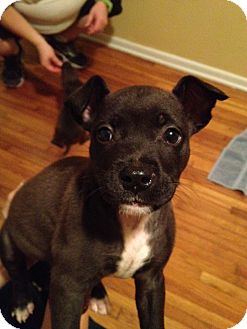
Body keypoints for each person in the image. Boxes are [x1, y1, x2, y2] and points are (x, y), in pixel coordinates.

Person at [0, 0, 122, 88]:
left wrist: (104, 3)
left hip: (72, 17)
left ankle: (61, 41)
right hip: (17, 19)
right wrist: (39, 43)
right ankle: (12, 55)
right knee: (4, 46)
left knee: (97, 16)